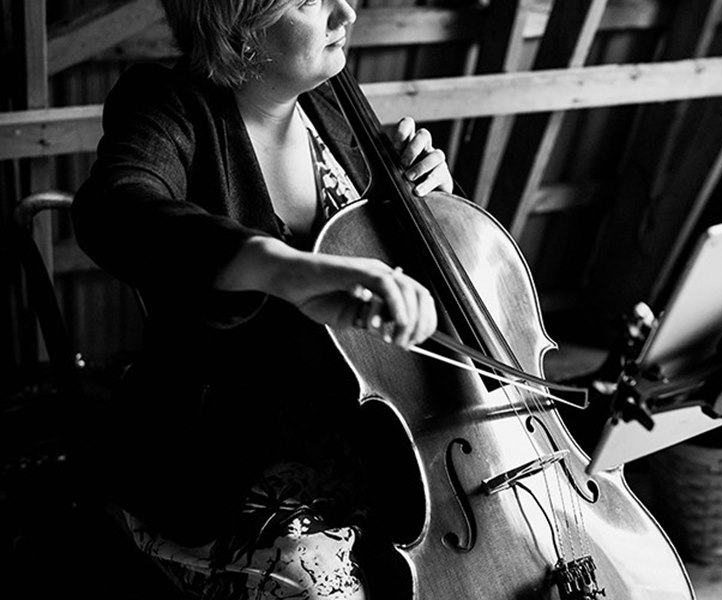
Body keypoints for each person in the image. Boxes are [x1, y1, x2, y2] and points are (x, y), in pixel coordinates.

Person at [71, 1, 453, 598]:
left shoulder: (333, 103)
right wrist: (283, 268)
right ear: (239, 28)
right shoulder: (167, 104)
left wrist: (426, 202)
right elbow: (116, 208)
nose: (346, 11)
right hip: (220, 461)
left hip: (375, 432)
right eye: (309, 1)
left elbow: (393, 274)